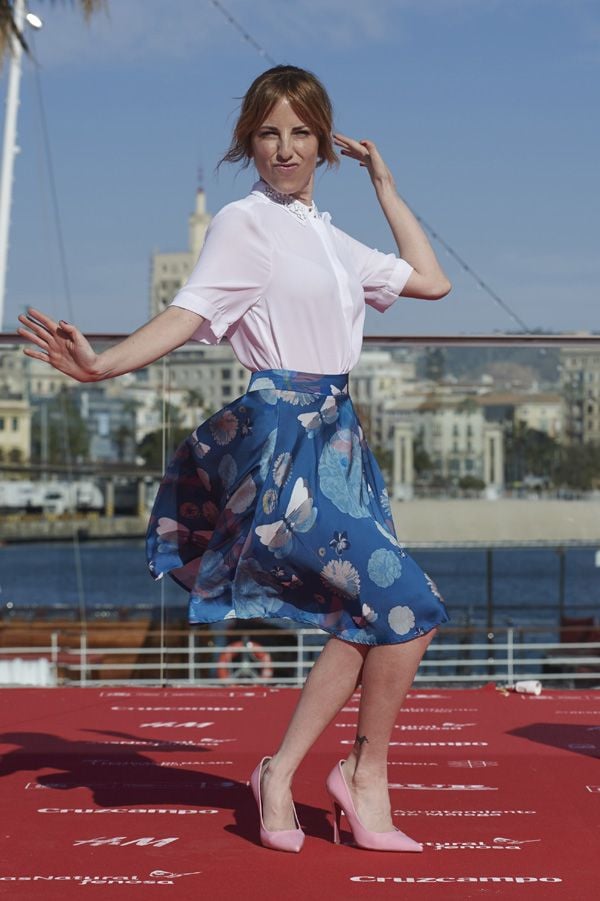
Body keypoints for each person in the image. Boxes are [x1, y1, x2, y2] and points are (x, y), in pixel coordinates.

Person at [18, 65, 451, 854]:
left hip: (340, 439)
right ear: (248, 143)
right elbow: (190, 312)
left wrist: (385, 182)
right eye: (268, 132)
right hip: (283, 440)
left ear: (324, 143)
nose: (284, 148)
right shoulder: (243, 223)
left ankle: (283, 773)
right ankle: (362, 774)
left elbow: (432, 280)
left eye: (299, 133)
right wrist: (103, 365)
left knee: (371, 615)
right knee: (407, 603)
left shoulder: (324, 232)